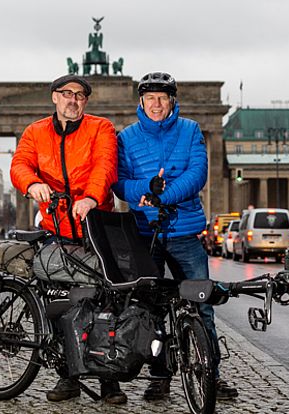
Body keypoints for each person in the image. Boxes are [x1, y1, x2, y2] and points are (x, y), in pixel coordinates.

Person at [113, 71, 239, 400]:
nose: (156, 104)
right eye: (150, 98)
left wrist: (162, 197)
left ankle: (212, 372)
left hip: (183, 232)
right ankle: (159, 377)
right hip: (146, 234)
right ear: (141, 101)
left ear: (172, 101)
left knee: (202, 306)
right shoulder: (126, 138)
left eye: (162, 98)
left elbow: (198, 173)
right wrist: (145, 189)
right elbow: (120, 182)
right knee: (150, 311)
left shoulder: (191, 130)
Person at [10, 74, 126, 405]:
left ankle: (109, 381)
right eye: (67, 94)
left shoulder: (100, 128)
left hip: (95, 228)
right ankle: (68, 377)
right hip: (57, 229)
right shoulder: (35, 133)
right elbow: (19, 164)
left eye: (80, 95)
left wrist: (91, 197)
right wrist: (31, 184)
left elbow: (105, 165)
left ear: (85, 102)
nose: (73, 100)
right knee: (60, 306)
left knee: (108, 304)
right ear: (54, 98)